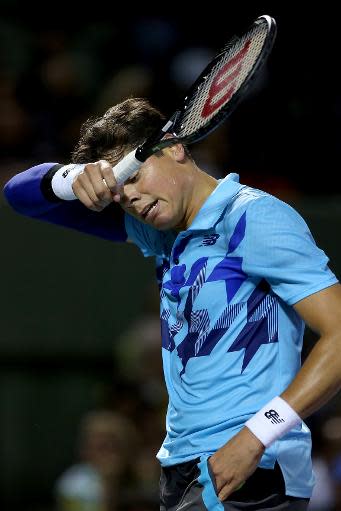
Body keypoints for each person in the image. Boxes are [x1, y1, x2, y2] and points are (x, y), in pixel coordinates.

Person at [4, 97, 341, 511]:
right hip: (182, 466)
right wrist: (74, 177)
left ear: (174, 147)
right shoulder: (160, 229)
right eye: (117, 190)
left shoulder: (254, 218)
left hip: (254, 468)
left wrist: (257, 435)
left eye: (134, 175)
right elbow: (19, 194)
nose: (129, 198)